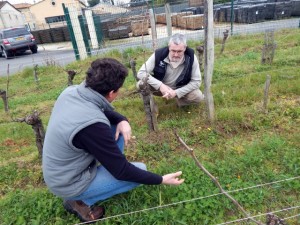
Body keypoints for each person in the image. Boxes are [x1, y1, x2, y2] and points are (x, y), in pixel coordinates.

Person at [42, 58, 184, 223]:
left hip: (59, 169)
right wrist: (160, 179)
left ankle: (106, 168)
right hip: (68, 182)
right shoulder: (93, 126)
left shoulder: (72, 91)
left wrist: (122, 120)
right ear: (111, 93)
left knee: (114, 126)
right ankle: (77, 201)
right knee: (139, 170)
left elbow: (99, 109)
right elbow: (122, 172)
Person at [137, 33, 204, 107]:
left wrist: (176, 92)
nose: (176, 54)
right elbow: (141, 73)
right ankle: (151, 105)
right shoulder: (158, 54)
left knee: (198, 96)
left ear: (185, 48)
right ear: (169, 47)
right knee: (140, 84)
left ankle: (180, 102)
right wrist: (160, 86)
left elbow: (196, 81)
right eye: (173, 51)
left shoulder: (191, 57)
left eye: (179, 51)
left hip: (180, 87)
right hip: (159, 88)